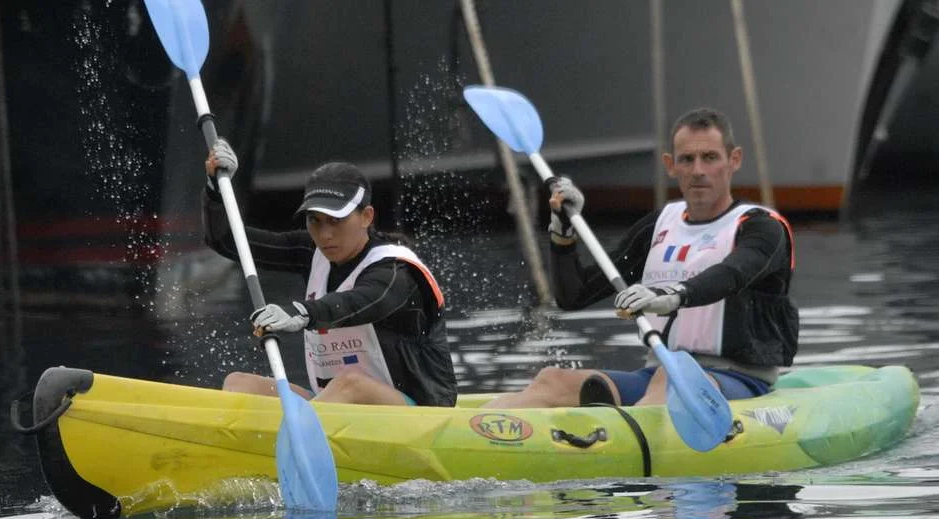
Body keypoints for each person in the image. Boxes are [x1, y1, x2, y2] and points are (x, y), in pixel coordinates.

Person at [485, 107, 798, 408]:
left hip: (739, 379)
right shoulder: (659, 225)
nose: (698, 170)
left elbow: (733, 274)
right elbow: (574, 296)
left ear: (734, 160)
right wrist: (563, 229)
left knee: (669, 381)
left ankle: (617, 442)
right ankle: (467, 430)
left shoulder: (762, 228)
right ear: (670, 165)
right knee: (551, 380)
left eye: (710, 158)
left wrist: (672, 295)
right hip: (657, 373)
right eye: (686, 159)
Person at [202, 139, 457, 406]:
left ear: (367, 217)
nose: (325, 235)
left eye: (336, 221)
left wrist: (301, 313)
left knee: (350, 383)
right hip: (335, 406)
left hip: (418, 416)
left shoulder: (397, 270)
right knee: (239, 384)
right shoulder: (311, 251)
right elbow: (227, 241)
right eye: (315, 221)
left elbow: (359, 302)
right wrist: (217, 188)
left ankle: (307, 434)